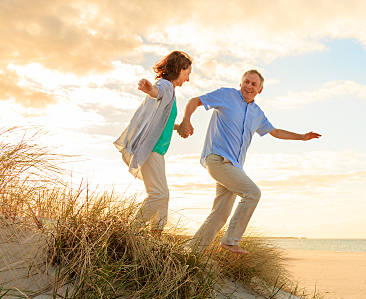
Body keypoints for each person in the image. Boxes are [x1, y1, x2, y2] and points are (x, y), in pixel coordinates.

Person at [179, 69, 320, 254]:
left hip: (234, 167)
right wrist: (186, 120)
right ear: (240, 83)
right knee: (252, 193)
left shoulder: (257, 114)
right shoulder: (226, 95)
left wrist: (301, 137)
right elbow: (195, 101)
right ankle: (230, 241)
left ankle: (191, 252)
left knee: (221, 214)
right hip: (217, 159)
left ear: (260, 90)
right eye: (246, 82)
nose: (249, 86)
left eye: (254, 84)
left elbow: (275, 132)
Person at [114, 51, 192, 234]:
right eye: (187, 73)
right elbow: (157, 92)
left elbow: (162, 120)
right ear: (180, 69)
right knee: (159, 194)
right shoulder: (165, 86)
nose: (188, 79)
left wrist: (179, 127)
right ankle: (128, 233)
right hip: (151, 150)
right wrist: (150, 90)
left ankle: (155, 238)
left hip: (157, 151)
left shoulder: (170, 91)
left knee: (162, 196)